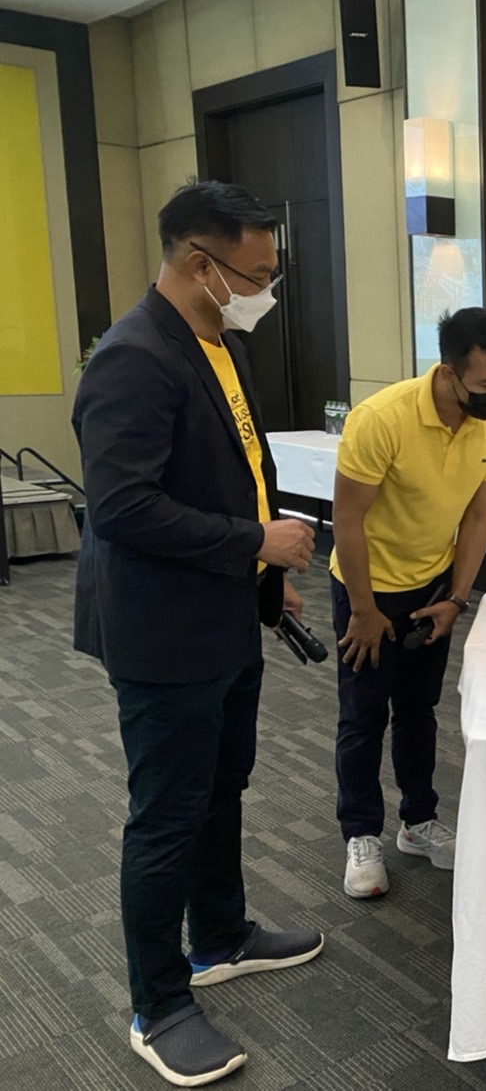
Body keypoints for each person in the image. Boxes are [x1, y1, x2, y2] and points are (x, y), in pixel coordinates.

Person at [73, 181, 324, 1087]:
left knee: (223, 786)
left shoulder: (219, 341)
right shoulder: (132, 358)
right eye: (255, 274)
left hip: (226, 612)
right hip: (162, 630)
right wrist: (256, 542)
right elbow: (123, 508)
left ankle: (220, 936)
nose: (266, 289)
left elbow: (238, 469)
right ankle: (160, 1005)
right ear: (198, 263)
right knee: (167, 816)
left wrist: (266, 581)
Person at [331, 308, 486, 898]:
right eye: (485, 384)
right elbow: (347, 519)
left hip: (433, 587)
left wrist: (457, 598)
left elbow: (479, 517)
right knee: (363, 714)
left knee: (418, 708)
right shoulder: (381, 419)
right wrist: (364, 609)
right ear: (449, 371)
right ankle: (361, 835)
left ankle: (419, 821)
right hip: (367, 585)